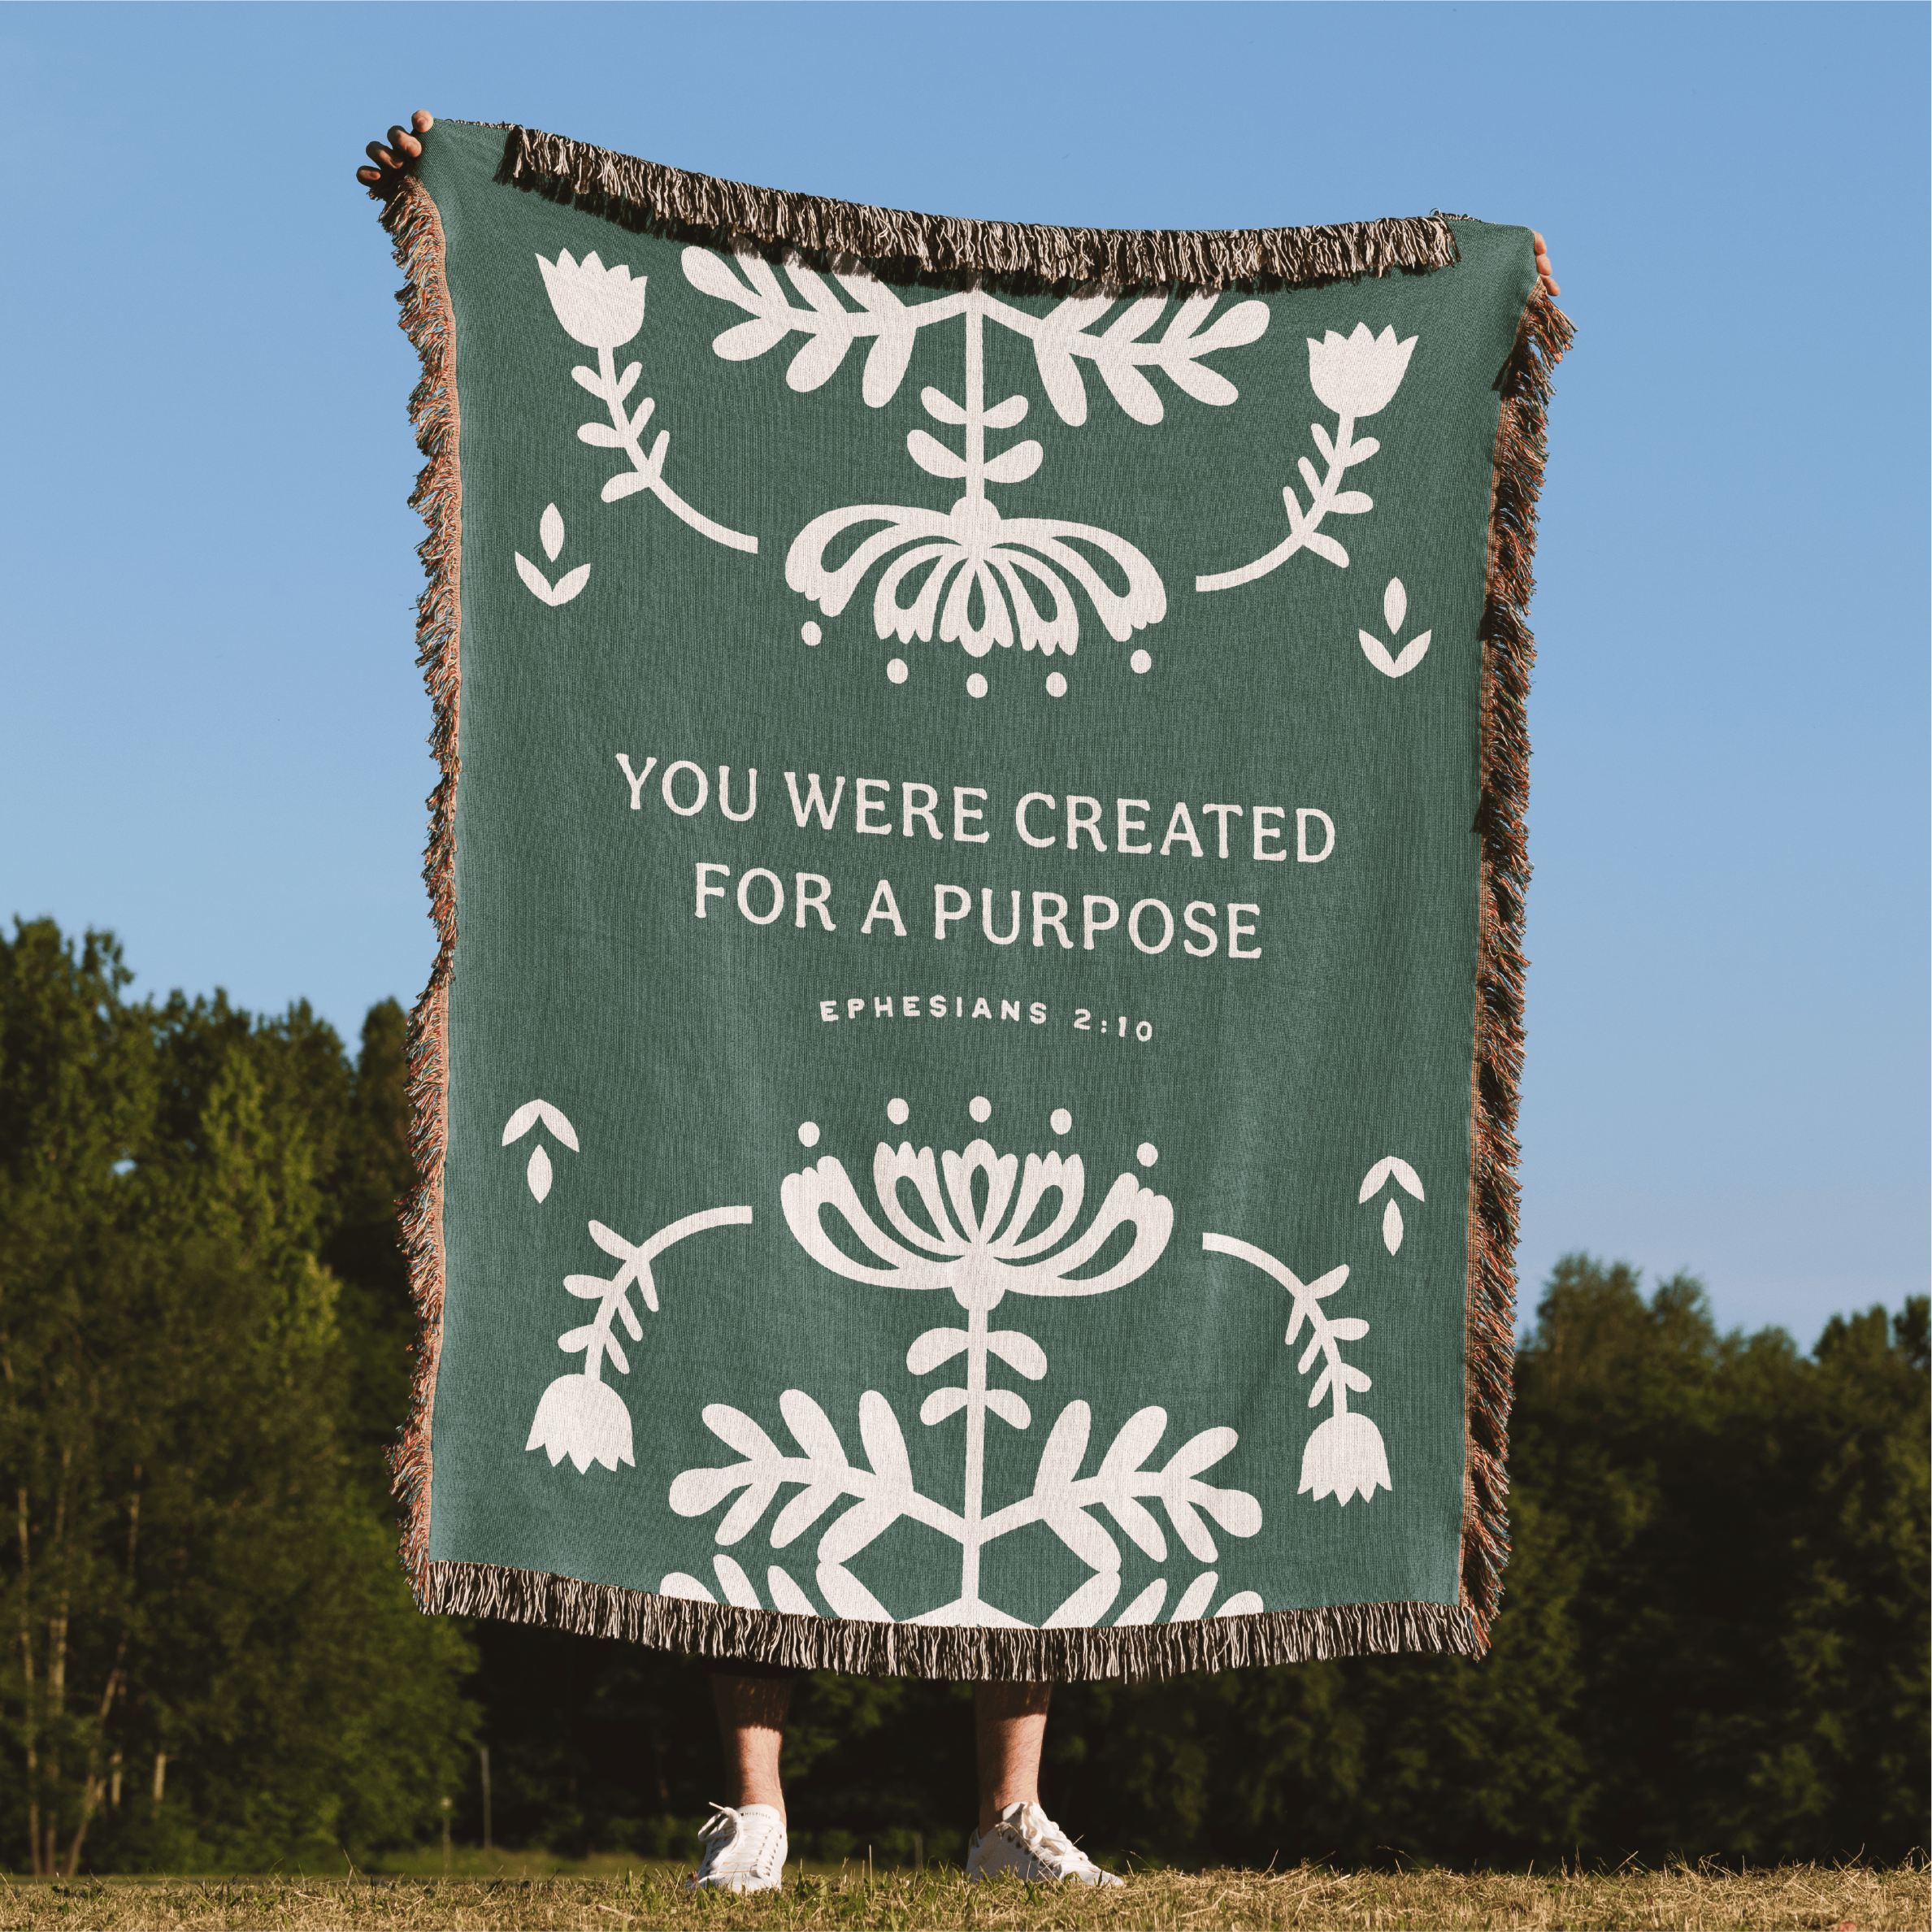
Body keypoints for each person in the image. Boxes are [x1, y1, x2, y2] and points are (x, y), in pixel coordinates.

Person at [354, 111, 1559, 1892]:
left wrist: (1474, 303)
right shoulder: (826, 659)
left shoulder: (1082, 708)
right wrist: (452, 175)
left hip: (1038, 1018)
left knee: (1055, 1375)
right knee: (744, 1346)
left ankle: (1010, 1814)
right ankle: (755, 1808)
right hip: (819, 1010)